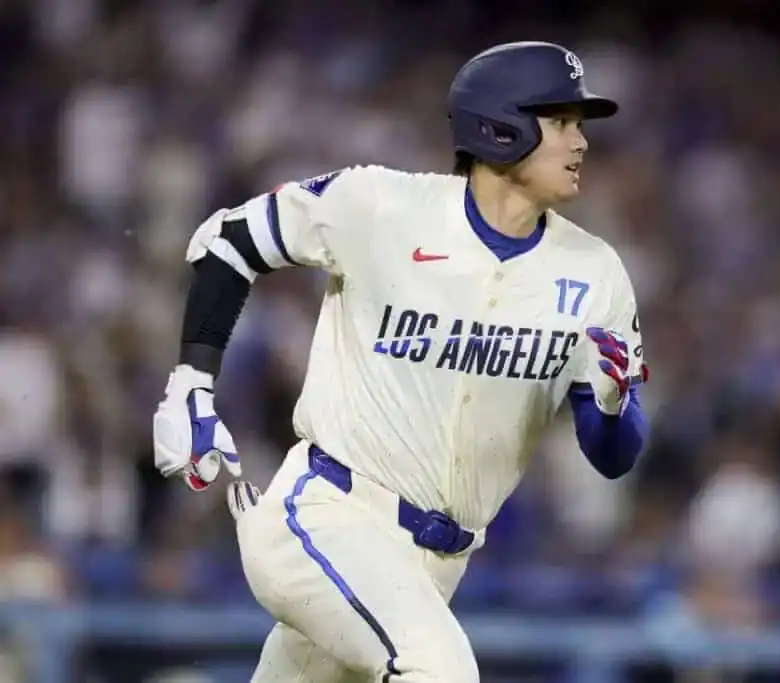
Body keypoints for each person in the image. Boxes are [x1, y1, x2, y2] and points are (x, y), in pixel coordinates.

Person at [152, 41, 650, 683]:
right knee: (436, 671)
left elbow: (613, 457)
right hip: (327, 517)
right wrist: (191, 383)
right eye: (560, 122)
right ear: (502, 127)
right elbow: (230, 241)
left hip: (436, 568)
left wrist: (614, 401)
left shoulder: (595, 272)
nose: (580, 142)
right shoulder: (383, 207)